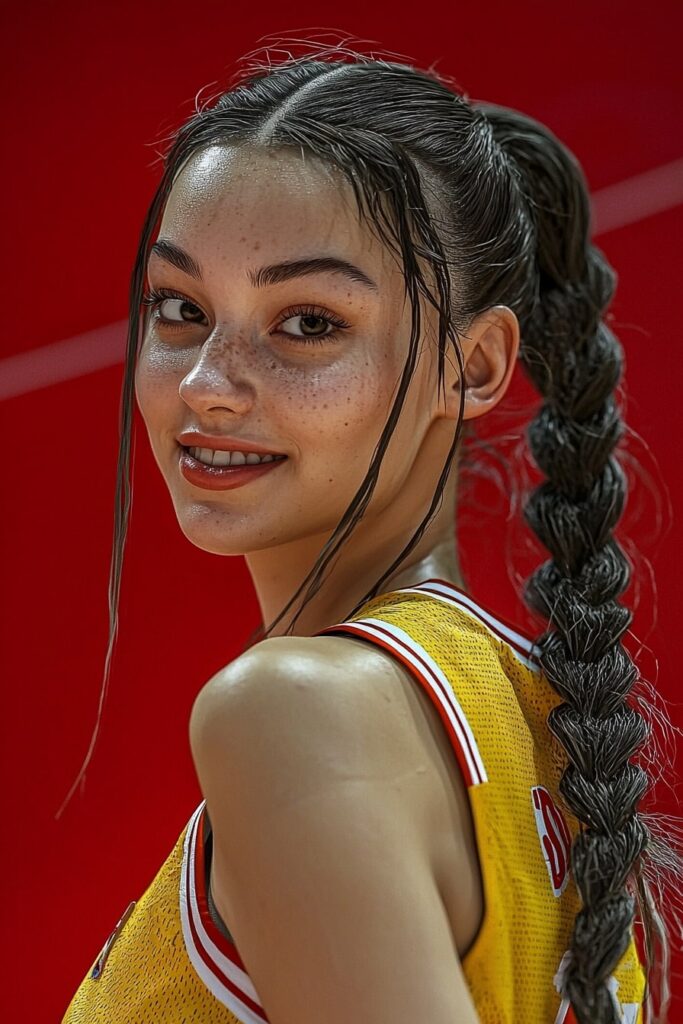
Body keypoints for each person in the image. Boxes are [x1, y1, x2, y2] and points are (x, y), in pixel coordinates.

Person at [60, 36, 680, 1024]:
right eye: (178, 308)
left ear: (472, 367)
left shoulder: (292, 713)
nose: (206, 385)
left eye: (307, 322)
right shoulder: (540, 716)